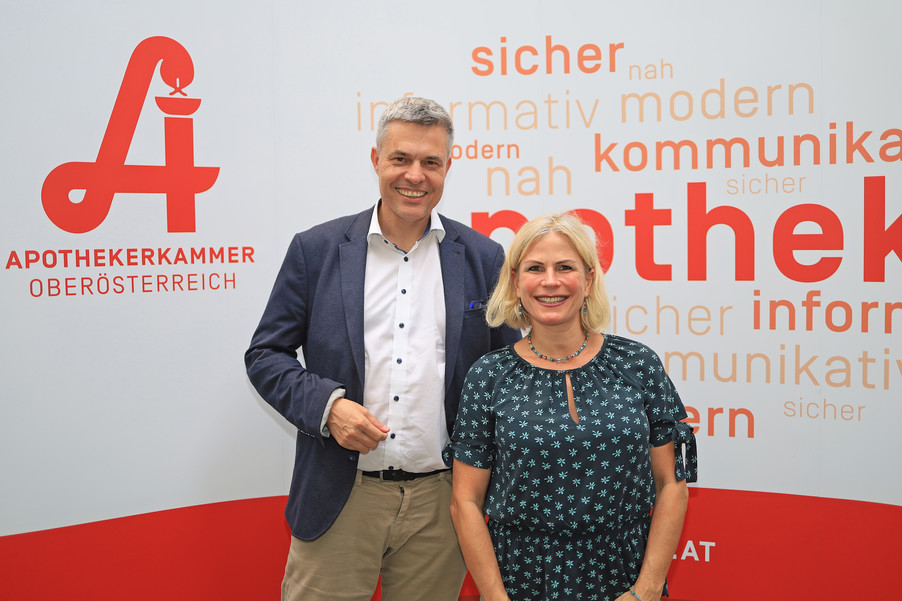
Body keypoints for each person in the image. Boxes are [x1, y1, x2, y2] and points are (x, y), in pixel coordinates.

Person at [245, 96, 521, 601]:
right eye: (400, 159)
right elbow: (265, 355)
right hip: (340, 495)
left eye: (430, 162)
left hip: (442, 505)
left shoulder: (484, 257)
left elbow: (509, 375)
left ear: (448, 166)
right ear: (376, 160)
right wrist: (328, 408)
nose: (415, 175)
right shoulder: (316, 250)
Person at [448, 213, 698, 601]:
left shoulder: (638, 364)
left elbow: (671, 485)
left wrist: (646, 590)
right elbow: (465, 502)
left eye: (565, 267)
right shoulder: (488, 376)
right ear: (516, 282)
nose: (550, 281)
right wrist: (496, 597)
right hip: (521, 580)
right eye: (535, 268)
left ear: (589, 280)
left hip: (624, 575)